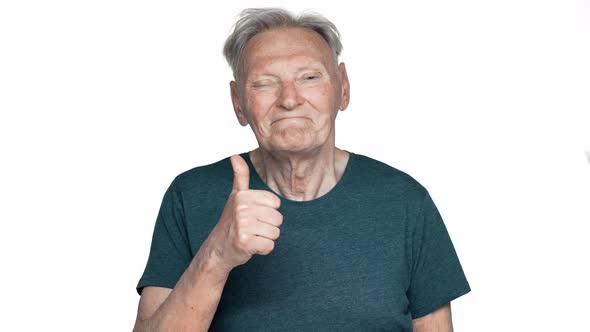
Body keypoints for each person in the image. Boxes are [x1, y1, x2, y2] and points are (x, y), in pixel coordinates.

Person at [132, 7, 470, 331]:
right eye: (264, 83)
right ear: (238, 103)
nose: (289, 99)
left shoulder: (405, 201)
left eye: (309, 77)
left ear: (344, 88)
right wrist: (217, 254)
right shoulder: (190, 197)